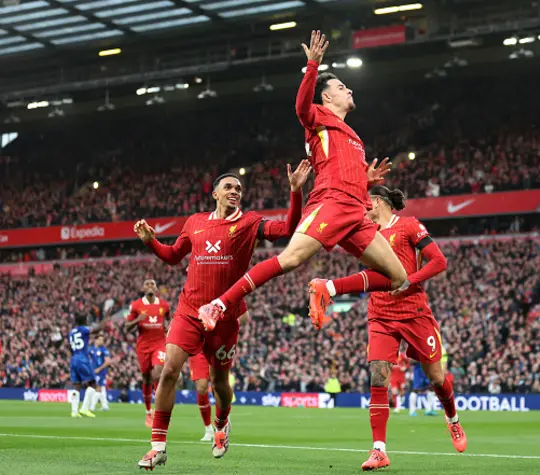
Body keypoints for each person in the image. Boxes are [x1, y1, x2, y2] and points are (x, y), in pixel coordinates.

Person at [197, 30, 408, 332]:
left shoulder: (353, 136)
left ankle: (328, 289)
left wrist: (366, 180)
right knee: (291, 259)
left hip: (356, 212)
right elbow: (300, 108)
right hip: (331, 202)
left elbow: (342, 169)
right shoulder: (318, 117)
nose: (348, 90)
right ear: (326, 96)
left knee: (398, 276)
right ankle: (217, 304)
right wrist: (313, 66)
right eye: (341, 86)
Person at [133, 161, 311, 470]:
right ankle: (157, 447)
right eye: (228, 187)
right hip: (189, 311)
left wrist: (295, 191)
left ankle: (222, 424)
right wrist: (151, 241)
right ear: (215, 193)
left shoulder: (249, 222)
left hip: (226, 316)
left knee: (219, 384)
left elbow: (286, 229)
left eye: (239, 189)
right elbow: (173, 256)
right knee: (168, 372)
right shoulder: (195, 222)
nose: (234, 191)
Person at [309, 185, 467, 471]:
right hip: (380, 314)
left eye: (365, 202)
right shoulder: (367, 235)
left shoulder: (408, 226)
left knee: (435, 377)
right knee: (378, 377)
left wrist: (410, 280)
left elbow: (439, 260)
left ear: (377, 201)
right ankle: (379, 450)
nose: (362, 206)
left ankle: (453, 418)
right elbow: (373, 275)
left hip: (414, 312)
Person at [124, 279, 171, 428]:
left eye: (153, 284)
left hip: (159, 344)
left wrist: (168, 328)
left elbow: (169, 320)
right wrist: (137, 320)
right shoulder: (136, 305)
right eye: (147, 284)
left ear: (157, 288)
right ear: (143, 288)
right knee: (146, 378)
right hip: (143, 346)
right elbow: (126, 328)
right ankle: (148, 411)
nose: (150, 286)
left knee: (157, 373)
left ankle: (159, 411)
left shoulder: (164, 305)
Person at [68, 314, 103, 418]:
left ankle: (74, 412)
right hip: (82, 358)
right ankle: (84, 408)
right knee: (93, 384)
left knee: (76, 385)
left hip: (74, 358)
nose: (88, 321)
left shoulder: (71, 332)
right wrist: (105, 320)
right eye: (86, 319)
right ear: (84, 320)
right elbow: (96, 330)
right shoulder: (83, 329)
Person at [89, 333, 112, 412]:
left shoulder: (104, 350)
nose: (101, 341)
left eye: (102, 340)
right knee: (102, 388)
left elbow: (108, 361)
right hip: (93, 372)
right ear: (95, 340)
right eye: (99, 339)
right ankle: (105, 405)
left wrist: (99, 369)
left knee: (98, 388)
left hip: (100, 372)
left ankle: (92, 407)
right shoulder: (91, 349)